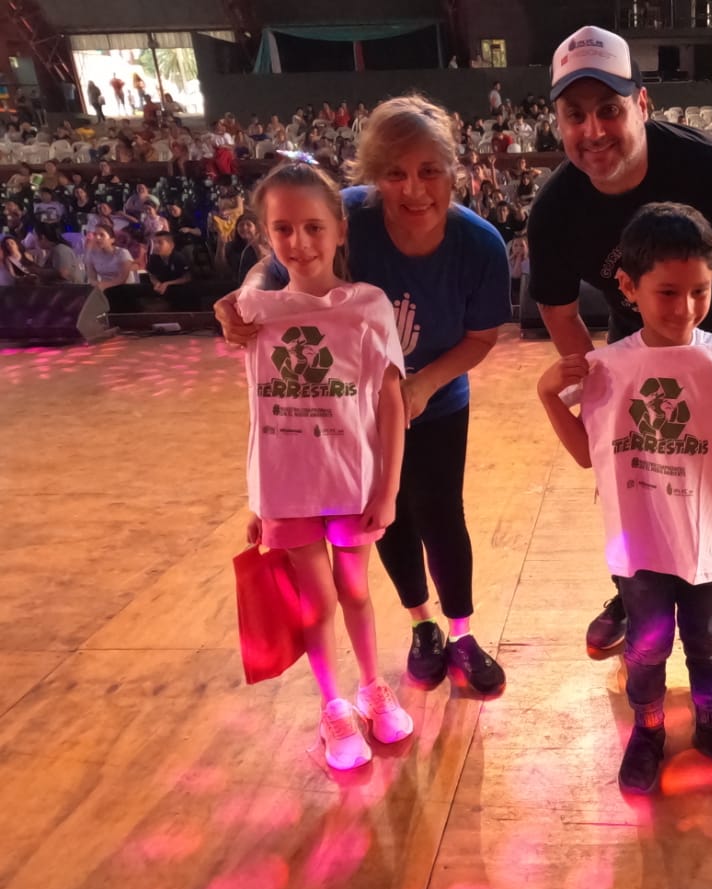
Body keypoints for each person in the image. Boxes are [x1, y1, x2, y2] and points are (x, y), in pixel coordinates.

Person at [216, 96, 508, 696]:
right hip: (351, 407)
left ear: (455, 170)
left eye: (430, 170)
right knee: (385, 515)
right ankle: (422, 625)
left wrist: (423, 384)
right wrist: (240, 300)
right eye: (395, 173)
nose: (414, 189)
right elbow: (274, 268)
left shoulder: (479, 245)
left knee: (441, 511)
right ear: (374, 177)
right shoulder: (346, 216)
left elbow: (481, 338)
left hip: (437, 396)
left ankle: (463, 630)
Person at [528, 26, 712, 675]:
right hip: (639, 342)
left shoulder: (708, 169)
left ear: (642, 105)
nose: (593, 130)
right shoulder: (557, 207)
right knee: (637, 480)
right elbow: (558, 309)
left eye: (609, 109)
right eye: (575, 115)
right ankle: (632, 592)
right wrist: (592, 387)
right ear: (558, 121)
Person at [536, 202, 712, 793]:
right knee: (647, 650)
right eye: (668, 293)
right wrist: (550, 396)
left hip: (711, 537)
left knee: (708, 641)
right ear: (627, 287)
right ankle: (647, 730)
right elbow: (584, 452)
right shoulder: (605, 370)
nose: (686, 308)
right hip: (641, 543)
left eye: (700, 291)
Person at [236, 162, 413, 771]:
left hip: (354, 482)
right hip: (286, 492)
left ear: (339, 229)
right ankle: (334, 705)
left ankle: (371, 685)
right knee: (316, 604)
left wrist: (388, 488)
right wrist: (257, 501)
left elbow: (392, 402)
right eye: (282, 229)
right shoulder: (251, 313)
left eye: (313, 226)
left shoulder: (368, 306)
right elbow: (256, 412)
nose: (299, 242)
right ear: (265, 236)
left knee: (356, 589)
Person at [146, 231, 196, 309]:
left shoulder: (179, 258)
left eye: (160, 243)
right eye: (154, 243)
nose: (156, 246)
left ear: (171, 245)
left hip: (182, 292)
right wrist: (156, 283)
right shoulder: (153, 258)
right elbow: (151, 274)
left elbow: (187, 277)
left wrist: (167, 283)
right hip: (163, 291)